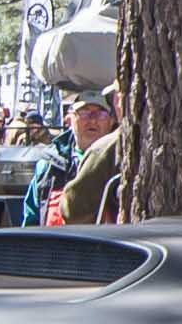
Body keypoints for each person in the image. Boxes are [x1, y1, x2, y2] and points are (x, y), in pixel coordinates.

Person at [28, 88, 122, 224]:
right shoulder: (48, 166)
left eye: (101, 113)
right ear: (68, 120)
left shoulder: (120, 159)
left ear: (112, 121)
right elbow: (31, 218)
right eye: (84, 113)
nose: (93, 120)